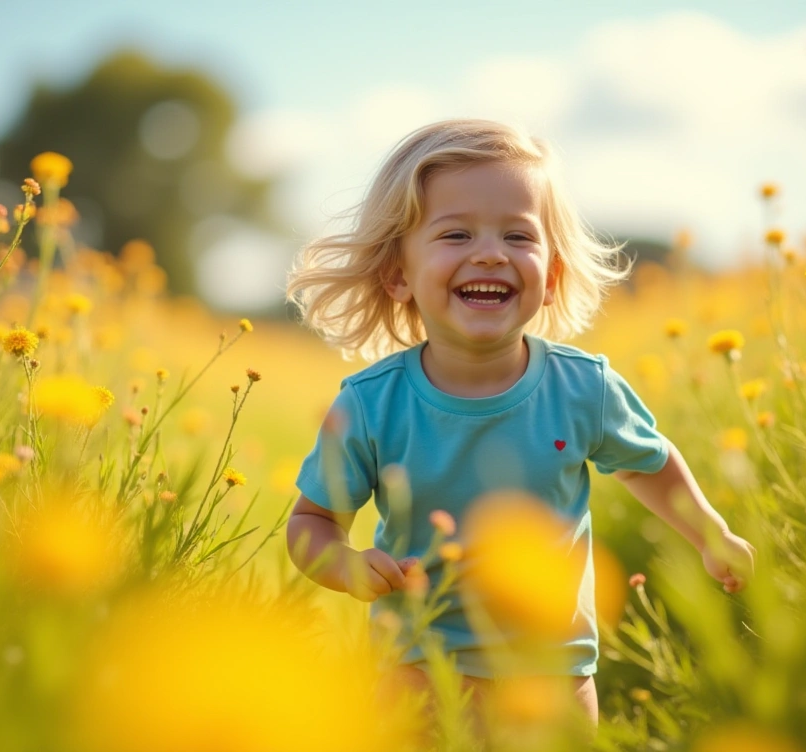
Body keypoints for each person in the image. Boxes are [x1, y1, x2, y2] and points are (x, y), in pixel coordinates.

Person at [283, 118, 755, 741]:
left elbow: (648, 461)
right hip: (420, 668)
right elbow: (311, 522)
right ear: (398, 273)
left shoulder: (583, 387)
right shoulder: (371, 405)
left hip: (553, 669)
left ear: (552, 275)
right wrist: (343, 568)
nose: (489, 253)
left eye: (517, 235)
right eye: (455, 234)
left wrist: (708, 531)